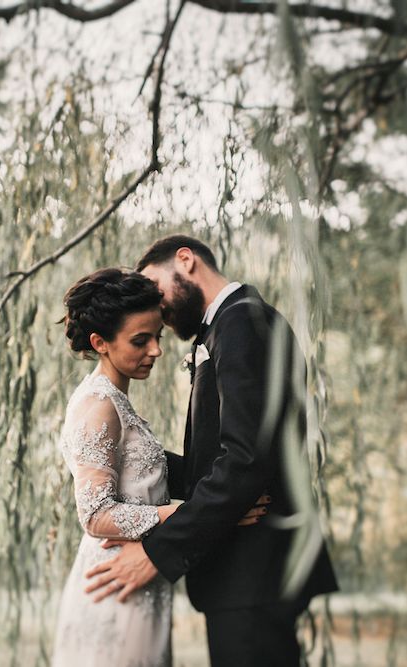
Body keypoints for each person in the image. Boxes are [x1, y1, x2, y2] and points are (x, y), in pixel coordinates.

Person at [84, 236, 338, 667]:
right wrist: (137, 463)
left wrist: (157, 552)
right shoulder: (232, 324)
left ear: (186, 260)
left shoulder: (242, 323)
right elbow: (224, 459)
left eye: (154, 285)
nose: (154, 303)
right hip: (245, 574)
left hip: (253, 572)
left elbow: (245, 459)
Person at [52, 267, 266, 667]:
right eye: (140, 340)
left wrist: (228, 499)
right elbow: (96, 515)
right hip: (115, 583)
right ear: (100, 343)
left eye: (158, 336)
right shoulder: (98, 405)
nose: (156, 350)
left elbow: (153, 475)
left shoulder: (116, 399)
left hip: (141, 583)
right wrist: (201, 514)